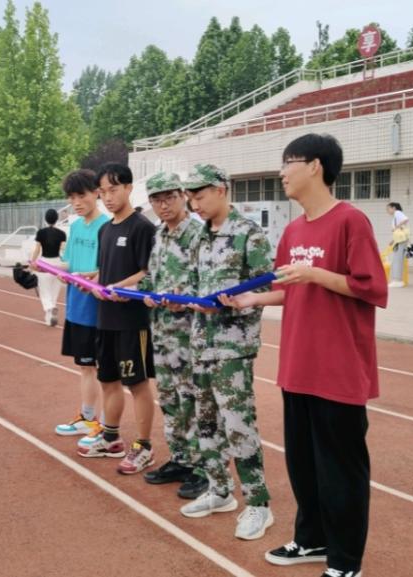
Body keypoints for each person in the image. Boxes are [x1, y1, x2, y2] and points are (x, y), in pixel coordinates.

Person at [224, 134, 387, 576]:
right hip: (298, 366)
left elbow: (371, 287)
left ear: (315, 166)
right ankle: (312, 538)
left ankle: (346, 561)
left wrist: (315, 273)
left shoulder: (351, 221)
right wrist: (253, 299)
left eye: (288, 162)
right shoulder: (294, 230)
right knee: (303, 464)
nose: (281, 172)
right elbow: (288, 289)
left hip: (338, 370)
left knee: (341, 469)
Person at [179, 164, 274, 541]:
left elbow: (266, 289)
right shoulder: (200, 237)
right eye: (191, 198)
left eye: (200, 196)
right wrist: (188, 301)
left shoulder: (249, 234)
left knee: (238, 425)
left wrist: (232, 304)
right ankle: (219, 489)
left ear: (221, 190)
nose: (195, 205)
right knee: (205, 422)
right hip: (200, 342)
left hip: (233, 347)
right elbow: (194, 283)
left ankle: (258, 503)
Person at [76, 163, 158, 477]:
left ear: (128, 188)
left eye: (114, 190)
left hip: (132, 321)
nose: (108, 197)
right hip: (105, 318)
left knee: (136, 384)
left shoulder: (142, 227)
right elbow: (105, 270)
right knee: (107, 380)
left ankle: (144, 446)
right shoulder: (105, 229)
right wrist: (92, 279)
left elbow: (147, 272)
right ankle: (111, 438)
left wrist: (119, 287)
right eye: (103, 192)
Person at [138, 172, 207, 500]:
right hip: (163, 332)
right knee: (169, 398)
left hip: (189, 333)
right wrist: (145, 292)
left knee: (193, 399)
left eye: (169, 197)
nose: (163, 205)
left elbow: (209, 281)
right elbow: (153, 276)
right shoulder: (159, 235)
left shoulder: (198, 234)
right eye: (156, 199)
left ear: (183, 197)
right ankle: (180, 458)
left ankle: (203, 467)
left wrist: (184, 297)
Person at [53, 170, 109, 437]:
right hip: (76, 307)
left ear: (96, 193)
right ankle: (87, 418)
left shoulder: (107, 227)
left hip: (99, 309)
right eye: (71, 197)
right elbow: (70, 265)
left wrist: (93, 277)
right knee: (85, 366)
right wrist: (48, 267)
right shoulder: (74, 227)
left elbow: (109, 270)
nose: (76, 202)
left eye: (81, 195)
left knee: (107, 371)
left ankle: (107, 426)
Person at [31, 208, 67, 326]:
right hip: (57, 263)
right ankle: (49, 316)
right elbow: (64, 250)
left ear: (46, 219)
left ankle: (50, 307)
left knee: (44, 290)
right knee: (54, 290)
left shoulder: (41, 233)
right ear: (56, 219)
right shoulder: (62, 234)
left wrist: (32, 262)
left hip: (44, 263)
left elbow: (37, 249)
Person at [385, 202, 409, 288]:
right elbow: (400, 230)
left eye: (388, 208)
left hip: (400, 240)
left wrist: (396, 227)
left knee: (397, 260)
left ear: (394, 208)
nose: (387, 211)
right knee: (397, 260)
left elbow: (406, 219)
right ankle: (397, 280)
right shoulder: (396, 215)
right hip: (399, 240)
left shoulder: (397, 213)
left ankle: (397, 281)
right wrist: (393, 240)